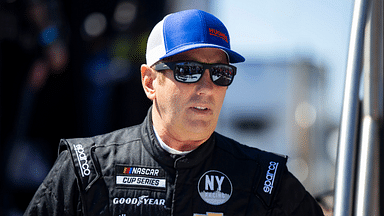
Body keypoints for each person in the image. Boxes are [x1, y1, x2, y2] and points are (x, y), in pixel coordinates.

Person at [24, 9, 324, 216]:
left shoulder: (265, 180)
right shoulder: (87, 168)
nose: (207, 88)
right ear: (150, 82)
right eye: (189, 71)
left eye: (220, 73)